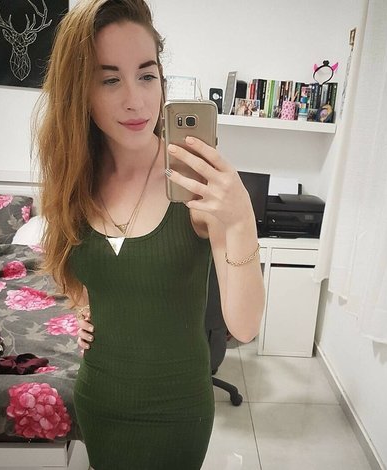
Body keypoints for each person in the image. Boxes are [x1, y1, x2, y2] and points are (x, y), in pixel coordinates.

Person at [34, 1, 265, 469]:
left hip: (177, 410)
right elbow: (78, 266)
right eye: (110, 79)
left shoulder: (196, 183)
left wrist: (241, 220)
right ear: (79, 91)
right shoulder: (75, 179)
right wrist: (86, 308)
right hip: (100, 398)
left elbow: (245, 326)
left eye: (146, 75)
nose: (136, 100)